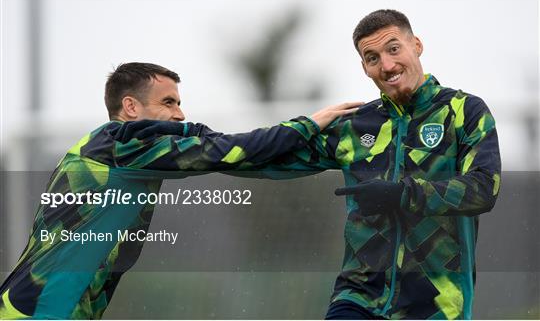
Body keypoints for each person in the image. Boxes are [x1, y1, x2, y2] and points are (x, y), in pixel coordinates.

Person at [176, 9, 500, 319]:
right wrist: (187, 142)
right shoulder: (355, 126)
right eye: (373, 58)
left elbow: (484, 189)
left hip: (435, 302)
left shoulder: (464, 111)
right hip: (357, 296)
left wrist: (402, 194)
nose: (386, 65)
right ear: (364, 68)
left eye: (393, 49)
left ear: (416, 45)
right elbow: (263, 158)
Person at [0, 62, 361, 319]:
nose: (179, 113)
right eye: (168, 102)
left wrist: (332, 153)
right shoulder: (123, 144)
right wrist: (309, 124)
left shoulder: (120, 148)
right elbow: (233, 152)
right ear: (130, 107)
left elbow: (227, 153)